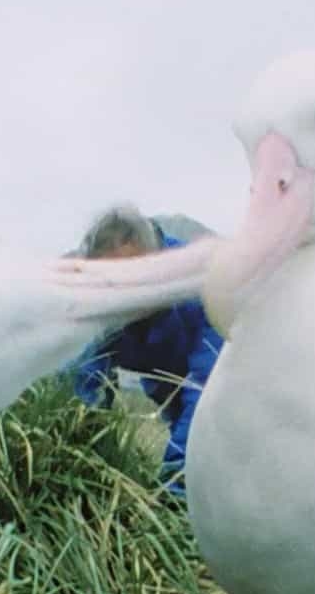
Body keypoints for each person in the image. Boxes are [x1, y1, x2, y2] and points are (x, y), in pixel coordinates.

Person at [70, 205, 224, 497]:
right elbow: (83, 383)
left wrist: (174, 487)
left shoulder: (200, 288)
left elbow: (205, 393)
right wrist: (82, 463)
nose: (127, 293)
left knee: (217, 452)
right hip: (161, 379)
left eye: (135, 276)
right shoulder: (100, 300)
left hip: (227, 382)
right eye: (114, 282)